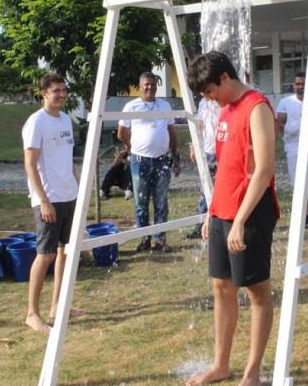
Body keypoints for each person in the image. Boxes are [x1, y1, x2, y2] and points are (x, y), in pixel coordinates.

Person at [185, 51, 280, 386]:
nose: (209, 99)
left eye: (210, 91)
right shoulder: (225, 110)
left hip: (251, 213)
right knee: (221, 287)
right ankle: (221, 365)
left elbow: (264, 169)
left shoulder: (257, 107)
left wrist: (240, 220)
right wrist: (213, 212)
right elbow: (226, 167)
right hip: (222, 210)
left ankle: (252, 372)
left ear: (225, 78)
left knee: (256, 291)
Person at [21, 72, 79, 333]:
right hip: (48, 198)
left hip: (69, 195)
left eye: (63, 90)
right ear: (43, 93)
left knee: (66, 252)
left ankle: (57, 306)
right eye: (56, 90)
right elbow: (30, 165)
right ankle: (32, 313)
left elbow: (66, 160)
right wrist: (43, 201)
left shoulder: (66, 120)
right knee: (45, 255)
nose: (61, 95)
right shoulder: (36, 122)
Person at [117, 72, 181, 252]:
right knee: (141, 202)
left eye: (153, 84)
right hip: (140, 161)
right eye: (146, 85)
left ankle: (160, 239)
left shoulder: (164, 105)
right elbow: (121, 132)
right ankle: (144, 239)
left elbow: (171, 131)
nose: (150, 88)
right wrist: (132, 146)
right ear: (139, 86)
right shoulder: (131, 106)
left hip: (162, 160)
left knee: (161, 201)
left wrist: (176, 155)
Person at [275, 72, 308, 227]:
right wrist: (291, 129)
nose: (300, 87)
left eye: (303, 84)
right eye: (298, 84)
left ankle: (307, 212)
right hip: (293, 148)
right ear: (294, 85)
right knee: (297, 181)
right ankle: (302, 214)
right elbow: (280, 122)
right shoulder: (286, 102)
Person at [187, 96, 220, 239]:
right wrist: (193, 145)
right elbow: (199, 126)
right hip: (207, 151)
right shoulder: (203, 103)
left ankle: (220, 224)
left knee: (223, 189)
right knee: (204, 190)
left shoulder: (223, 100)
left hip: (223, 151)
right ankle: (200, 226)